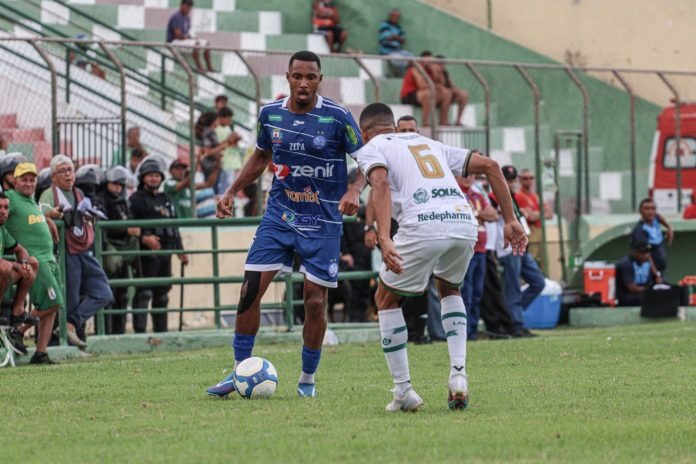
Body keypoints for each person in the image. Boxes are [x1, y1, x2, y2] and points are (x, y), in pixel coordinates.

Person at [207, 50, 364, 399]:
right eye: (298, 76)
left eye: (311, 76)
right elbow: (261, 157)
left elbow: (368, 160)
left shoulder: (337, 117)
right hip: (280, 215)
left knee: (313, 302)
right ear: (288, 77)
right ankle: (239, 372)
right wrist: (232, 190)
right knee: (249, 292)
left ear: (319, 80)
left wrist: (354, 188)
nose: (304, 82)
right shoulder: (270, 115)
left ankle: (307, 379)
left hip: (322, 220)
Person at [355, 102, 527, 412]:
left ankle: (403, 391)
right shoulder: (428, 143)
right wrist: (511, 219)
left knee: (386, 300)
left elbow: (378, 184)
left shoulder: (371, 146)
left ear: (363, 131)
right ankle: (458, 375)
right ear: (394, 126)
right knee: (450, 288)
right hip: (463, 222)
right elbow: (490, 166)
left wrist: (383, 236)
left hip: (422, 224)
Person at [40, 155, 113, 348]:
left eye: (70, 170)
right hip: (65, 252)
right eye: (62, 171)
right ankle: (62, 338)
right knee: (69, 298)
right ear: (53, 177)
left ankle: (70, 325)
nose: (67, 175)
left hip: (83, 249)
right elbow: (41, 213)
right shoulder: (49, 194)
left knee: (103, 292)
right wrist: (51, 215)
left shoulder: (79, 192)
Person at [5, 163, 62, 364]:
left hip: (49, 258)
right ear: (14, 180)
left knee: (52, 307)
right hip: (35, 259)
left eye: (32, 179)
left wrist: (47, 220)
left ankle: (41, 352)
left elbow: (31, 219)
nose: (29, 183)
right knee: (55, 302)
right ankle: (17, 330)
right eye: (24, 179)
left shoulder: (32, 201)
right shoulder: (11, 198)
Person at [129, 159, 188, 333]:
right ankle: (139, 333)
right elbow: (130, 225)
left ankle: (161, 332)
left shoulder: (166, 199)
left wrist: (180, 250)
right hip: (146, 253)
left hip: (166, 250)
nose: (154, 179)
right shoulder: (136, 199)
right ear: (143, 178)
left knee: (162, 294)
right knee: (144, 293)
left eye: (157, 176)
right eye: (150, 176)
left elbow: (174, 226)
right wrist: (145, 238)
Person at [495, 165, 545, 338]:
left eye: (512, 179)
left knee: (538, 282)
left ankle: (512, 314)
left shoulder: (513, 196)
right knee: (513, 287)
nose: (511, 183)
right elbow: (496, 211)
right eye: (507, 180)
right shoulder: (497, 194)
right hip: (510, 247)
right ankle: (515, 323)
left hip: (522, 245)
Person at [94, 166, 140, 335]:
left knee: (123, 294)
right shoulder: (101, 200)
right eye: (114, 184)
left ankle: (119, 333)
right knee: (109, 295)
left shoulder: (123, 202)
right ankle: (107, 332)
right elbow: (104, 228)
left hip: (122, 252)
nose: (118, 188)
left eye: (120, 185)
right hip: (108, 252)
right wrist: (125, 230)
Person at [458, 173, 498, 340]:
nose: (469, 178)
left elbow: (493, 215)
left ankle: (472, 331)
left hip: (481, 249)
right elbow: (462, 214)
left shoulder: (476, 195)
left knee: (477, 293)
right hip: (467, 248)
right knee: (465, 292)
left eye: (472, 175)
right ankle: (463, 333)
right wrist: (479, 214)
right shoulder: (456, 192)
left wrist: (475, 213)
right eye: (465, 175)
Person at [0, 192, 39, 356]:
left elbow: (20, 249)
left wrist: (23, 264)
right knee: (4, 267)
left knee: (33, 263)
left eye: (6, 207)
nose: (3, 211)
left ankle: (17, 312)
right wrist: (16, 265)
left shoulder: (2, 229)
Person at [400, 53, 452, 128]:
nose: (429, 62)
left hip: (423, 94)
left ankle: (443, 122)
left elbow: (442, 83)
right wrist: (437, 86)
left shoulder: (431, 70)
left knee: (447, 93)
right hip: (409, 95)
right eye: (427, 60)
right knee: (428, 94)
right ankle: (425, 123)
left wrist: (438, 71)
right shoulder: (416, 68)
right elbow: (422, 86)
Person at [166, 0, 214, 73]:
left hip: (184, 40)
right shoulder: (176, 16)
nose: (188, 9)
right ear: (181, 5)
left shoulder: (187, 18)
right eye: (186, 6)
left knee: (207, 44)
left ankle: (209, 67)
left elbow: (188, 32)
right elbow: (177, 35)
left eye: (190, 7)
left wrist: (192, 38)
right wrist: (189, 39)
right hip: (173, 42)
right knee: (196, 44)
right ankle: (199, 67)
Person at [195, 111, 236, 195]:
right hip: (210, 165)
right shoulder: (208, 132)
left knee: (215, 188)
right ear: (213, 121)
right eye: (217, 120)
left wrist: (227, 142)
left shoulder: (210, 132)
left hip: (212, 164)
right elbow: (208, 151)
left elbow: (214, 147)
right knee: (213, 189)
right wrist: (226, 142)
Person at [515, 168, 551, 263]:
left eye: (531, 178)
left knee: (542, 260)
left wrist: (536, 213)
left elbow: (550, 213)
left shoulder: (535, 196)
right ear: (520, 179)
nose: (529, 180)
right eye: (525, 178)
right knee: (532, 259)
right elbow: (530, 217)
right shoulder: (519, 196)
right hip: (529, 232)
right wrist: (540, 213)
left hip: (539, 231)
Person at [615, 238, 661, 306]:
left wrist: (656, 274)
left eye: (648, 252)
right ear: (635, 252)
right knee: (646, 298)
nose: (646, 255)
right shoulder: (626, 263)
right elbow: (632, 288)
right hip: (628, 295)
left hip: (644, 292)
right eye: (643, 253)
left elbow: (658, 280)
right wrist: (650, 291)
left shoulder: (648, 262)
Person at [631, 198, 672, 273]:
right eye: (647, 209)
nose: (650, 211)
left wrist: (668, 227)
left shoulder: (655, 219)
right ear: (640, 211)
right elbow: (645, 256)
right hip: (649, 273)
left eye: (653, 208)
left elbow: (658, 216)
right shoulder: (641, 230)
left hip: (661, 269)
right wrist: (656, 274)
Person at [433, 54, 468, 126]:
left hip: (446, 92)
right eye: (440, 63)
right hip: (437, 95)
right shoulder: (431, 72)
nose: (442, 65)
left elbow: (451, 85)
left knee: (463, 94)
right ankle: (443, 121)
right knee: (447, 93)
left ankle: (458, 121)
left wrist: (455, 90)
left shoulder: (445, 72)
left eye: (443, 63)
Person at [214, 107, 243, 192]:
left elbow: (231, 144)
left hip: (233, 161)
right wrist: (230, 139)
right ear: (221, 118)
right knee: (226, 187)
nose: (230, 121)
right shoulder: (217, 129)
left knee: (233, 186)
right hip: (226, 162)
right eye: (228, 118)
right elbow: (218, 145)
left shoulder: (227, 128)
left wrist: (235, 139)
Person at [378, 9, 413, 77]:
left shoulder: (399, 27)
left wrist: (395, 37)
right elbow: (385, 38)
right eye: (394, 15)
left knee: (413, 57)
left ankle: (408, 76)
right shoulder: (385, 24)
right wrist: (396, 38)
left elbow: (403, 41)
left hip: (397, 50)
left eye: (397, 16)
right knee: (398, 60)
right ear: (390, 16)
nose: (396, 17)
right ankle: (397, 74)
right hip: (387, 52)